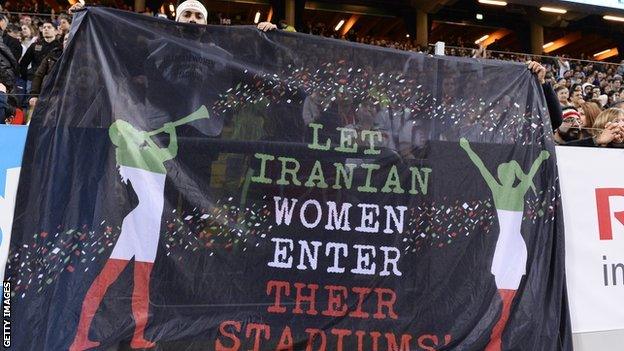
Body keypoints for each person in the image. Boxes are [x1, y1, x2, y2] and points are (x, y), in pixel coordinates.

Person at [70, 106, 209, 351]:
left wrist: (170, 133)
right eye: (130, 130)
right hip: (139, 223)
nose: (136, 130)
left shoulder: (147, 152)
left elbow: (170, 152)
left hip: (149, 225)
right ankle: (80, 337)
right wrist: (145, 138)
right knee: (107, 279)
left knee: (142, 283)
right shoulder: (128, 155)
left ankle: (138, 336)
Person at [460, 138, 550, 351]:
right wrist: (468, 149)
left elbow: (484, 168)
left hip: (515, 248)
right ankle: (495, 337)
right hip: (507, 248)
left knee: (509, 296)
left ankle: (499, 338)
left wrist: (540, 158)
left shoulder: (510, 190)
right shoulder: (503, 190)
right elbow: (482, 167)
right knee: (502, 297)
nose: (504, 176)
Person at [28, 33, 68, 108]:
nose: (67, 41)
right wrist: (34, 95)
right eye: (65, 39)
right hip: (49, 95)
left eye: (70, 38)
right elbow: (38, 76)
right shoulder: (52, 56)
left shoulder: (83, 58)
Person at [19, 20, 61, 89]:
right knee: (30, 99)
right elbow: (23, 63)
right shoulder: (34, 45)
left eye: (49, 27)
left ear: (56, 31)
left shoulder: (60, 47)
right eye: (44, 27)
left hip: (53, 80)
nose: (46, 29)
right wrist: (27, 76)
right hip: (33, 80)